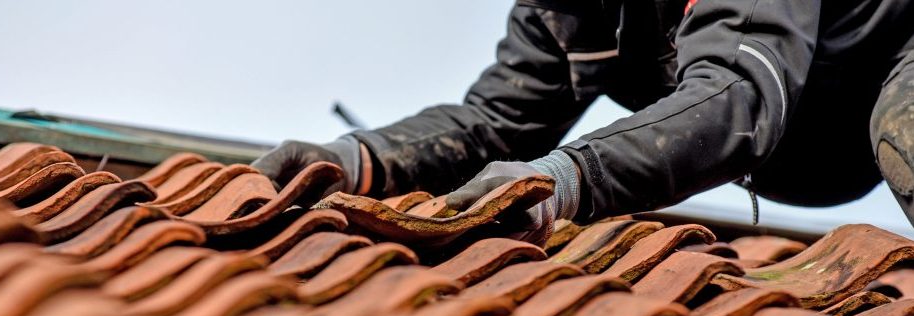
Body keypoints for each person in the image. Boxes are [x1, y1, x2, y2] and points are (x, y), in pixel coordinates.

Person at [252, 0, 914, 245]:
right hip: (813, 140)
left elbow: (737, 98)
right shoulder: (566, 8)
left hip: (893, 61)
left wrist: (564, 178)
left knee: (906, 133)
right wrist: (352, 159)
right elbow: (498, 121)